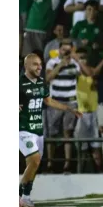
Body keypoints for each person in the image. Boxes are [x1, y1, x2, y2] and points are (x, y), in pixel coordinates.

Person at [20, 54, 82, 207]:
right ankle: (18, 194)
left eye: (40, 64)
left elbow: (48, 101)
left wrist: (69, 108)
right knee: (34, 159)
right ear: (26, 66)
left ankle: (26, 197)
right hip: (23, 129)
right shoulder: (18, 83)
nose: (39, 67)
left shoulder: (41, 83)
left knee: (34, 165)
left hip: (38, 130)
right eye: (35, 64)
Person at [45, 39, 82, 173]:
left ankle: (67, 164)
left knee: (68, 132)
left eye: (68, 50)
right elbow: (48, 78)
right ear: (59, 49)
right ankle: (50, 163)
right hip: (56, 101)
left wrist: (75, 59)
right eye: (64, 50)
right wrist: (61, 64)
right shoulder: (52, 61)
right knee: (52, 132)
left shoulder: (74, 63)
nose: (65, 52)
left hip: (71, 101)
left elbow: (80, 73)